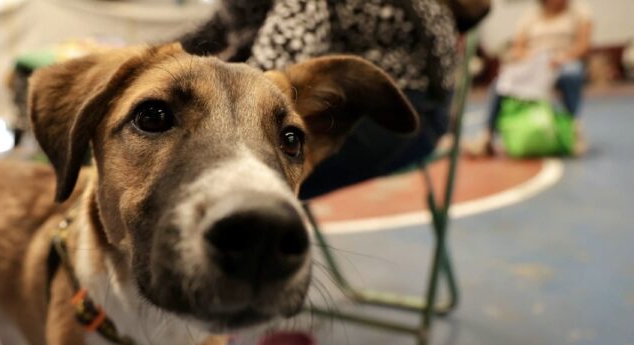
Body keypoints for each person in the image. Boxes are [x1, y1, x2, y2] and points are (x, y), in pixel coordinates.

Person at [179, 0, 489, 199]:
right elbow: (214, 29)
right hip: (399, 99)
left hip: (407, 111)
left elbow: (273, 64)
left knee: (232, 178)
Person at [473, 0, 592, 156]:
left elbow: (583, 46)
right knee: (500, 83)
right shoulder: (530, 16)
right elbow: (517, 49)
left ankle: (572, 129)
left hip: (563, 61)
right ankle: (487, 136)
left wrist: (561, 58)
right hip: (535, 63)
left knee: (572, 73)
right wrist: (533, 59)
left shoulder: (580, 12)